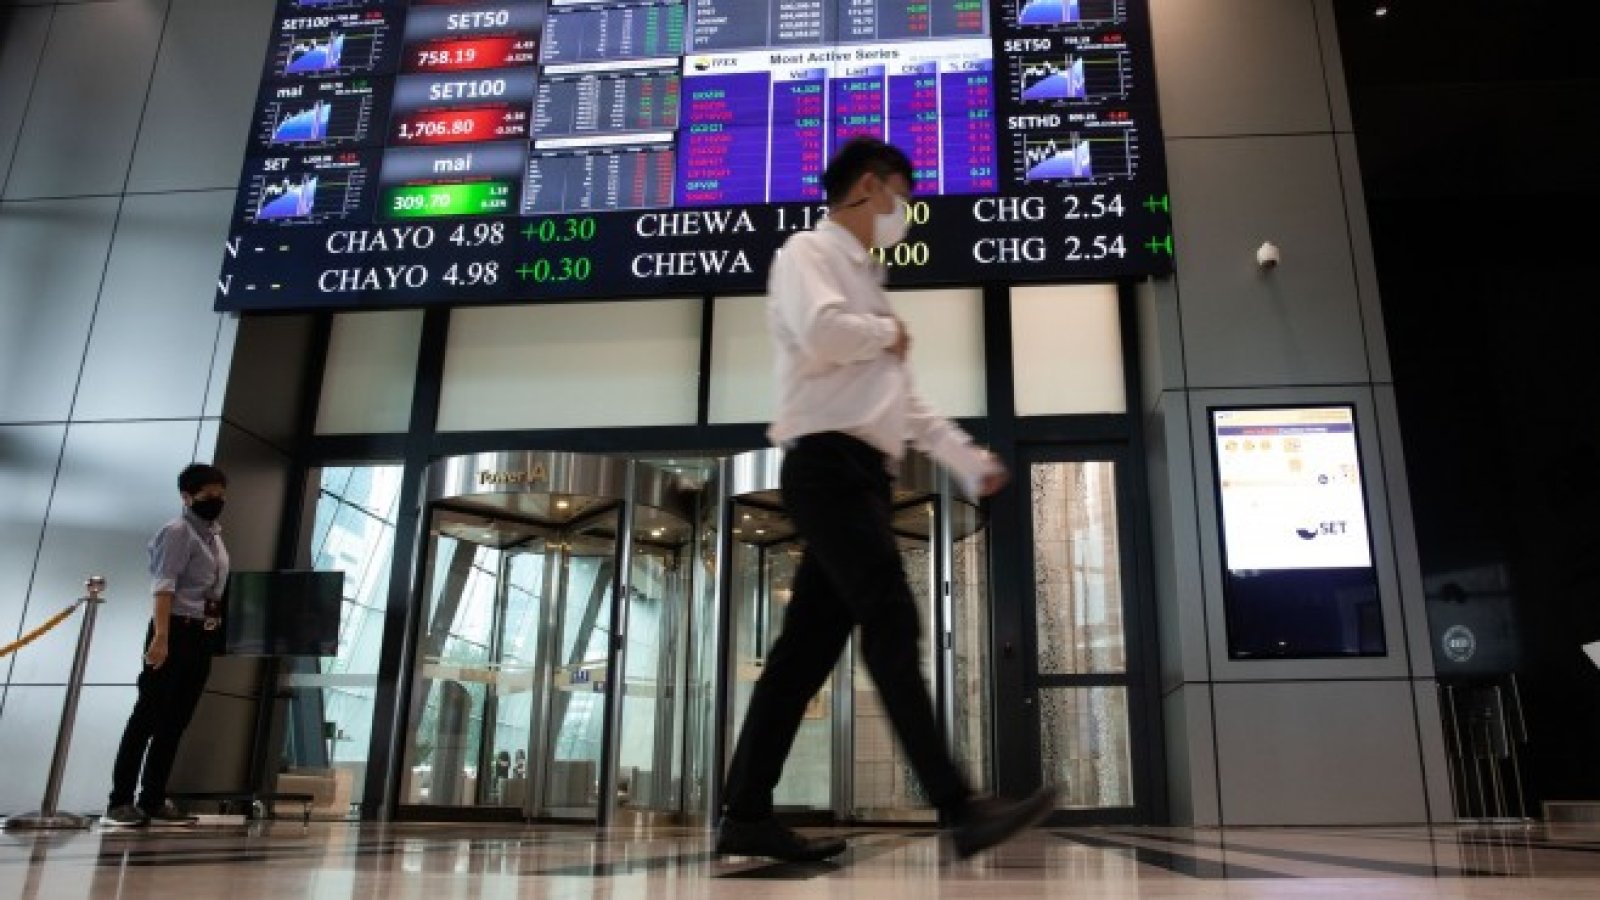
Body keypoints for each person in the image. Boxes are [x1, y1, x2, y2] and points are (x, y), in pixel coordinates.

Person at [715, 139, 1056, 862]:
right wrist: (885, 332)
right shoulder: (808, 252)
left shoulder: (867, 278)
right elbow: (823, 333)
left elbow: (905, 403)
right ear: (869, 186)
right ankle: (959, 807)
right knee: (892, 618)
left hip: (862, 475)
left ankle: (745, 812)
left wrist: (968, 460)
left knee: (802, 656)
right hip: (824, 467)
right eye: (901, 193)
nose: (905, 210)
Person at [102, 464, 231, 828]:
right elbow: (163, 587)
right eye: (208, 496)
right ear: (187, 497)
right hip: (173, 629)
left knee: (175, 722)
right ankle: (119, 801)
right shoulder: (177, 532)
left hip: (201, 634)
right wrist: (161, 638)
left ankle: (153, 798)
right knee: (147, 717)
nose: (216, 502)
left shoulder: (214, 536)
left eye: (221, 496)